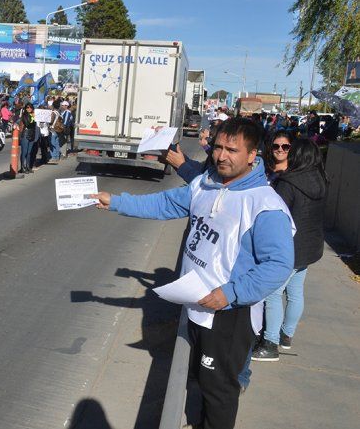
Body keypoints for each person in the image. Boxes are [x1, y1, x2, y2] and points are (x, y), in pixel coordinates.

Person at [92, 117, 295, 429]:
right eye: (217, 148)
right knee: (200, 380)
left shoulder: (265, 206)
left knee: (219, 391)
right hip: (197, 303)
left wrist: (230, 293)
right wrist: (115, 202)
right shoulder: (205, 183)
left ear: (253, 155)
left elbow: (278, 266)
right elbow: (165, 204)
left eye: (233, 150)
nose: (222, 156)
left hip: (229, 314)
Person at [252, 135, 327, 362]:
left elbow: (276, 217)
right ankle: (287, 335)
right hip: (311, 248)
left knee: (273, 294)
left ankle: (270, 343)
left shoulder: (288, 183)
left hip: (291, 248)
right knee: (295, 293)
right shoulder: (320, 179)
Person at [19, 103, 38, 173]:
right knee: (24, 152)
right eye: (27, 107)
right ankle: (22, 167)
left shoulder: (34, 115)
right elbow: (28, 124)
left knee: (29, 152)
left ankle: (28, 166)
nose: (28, 109)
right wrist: (33, 117)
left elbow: (35, 125)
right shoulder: (24, 115)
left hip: (32, 133)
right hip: (26, 134)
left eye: (30, 107)